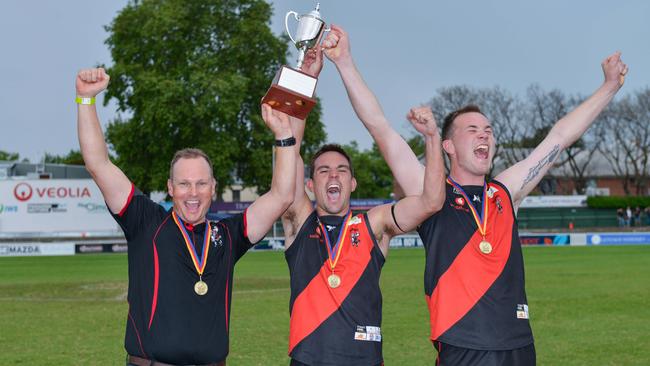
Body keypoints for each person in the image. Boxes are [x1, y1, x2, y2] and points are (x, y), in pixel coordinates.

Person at [324, 26, 628, 365]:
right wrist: (345, 62)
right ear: (449, 146)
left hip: (518, 345)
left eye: (488, 130)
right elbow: (379, 126)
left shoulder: (505, 191)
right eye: (472, 130)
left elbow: (559, 137)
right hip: (462, 347)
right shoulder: (431, 191)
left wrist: (609, 87)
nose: (484, 136)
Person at [75, 67, 297, 365]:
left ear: (213, 187)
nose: (193, 193)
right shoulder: (145, 221)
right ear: (170, 188)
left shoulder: (228, 235)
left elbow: (281, 196)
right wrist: (85, 100)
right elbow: (98, 164)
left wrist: (283, 136)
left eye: (201, 183)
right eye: (184, 184)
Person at [279, 27, 446, 366]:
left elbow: (431, 201)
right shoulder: (298, 219)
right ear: (310, 186)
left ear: (353, 183)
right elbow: (288, 149)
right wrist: (305, 81)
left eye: (341, 170)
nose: (333, 175)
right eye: (323, 171)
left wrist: (432, 139)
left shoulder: (375, 224)